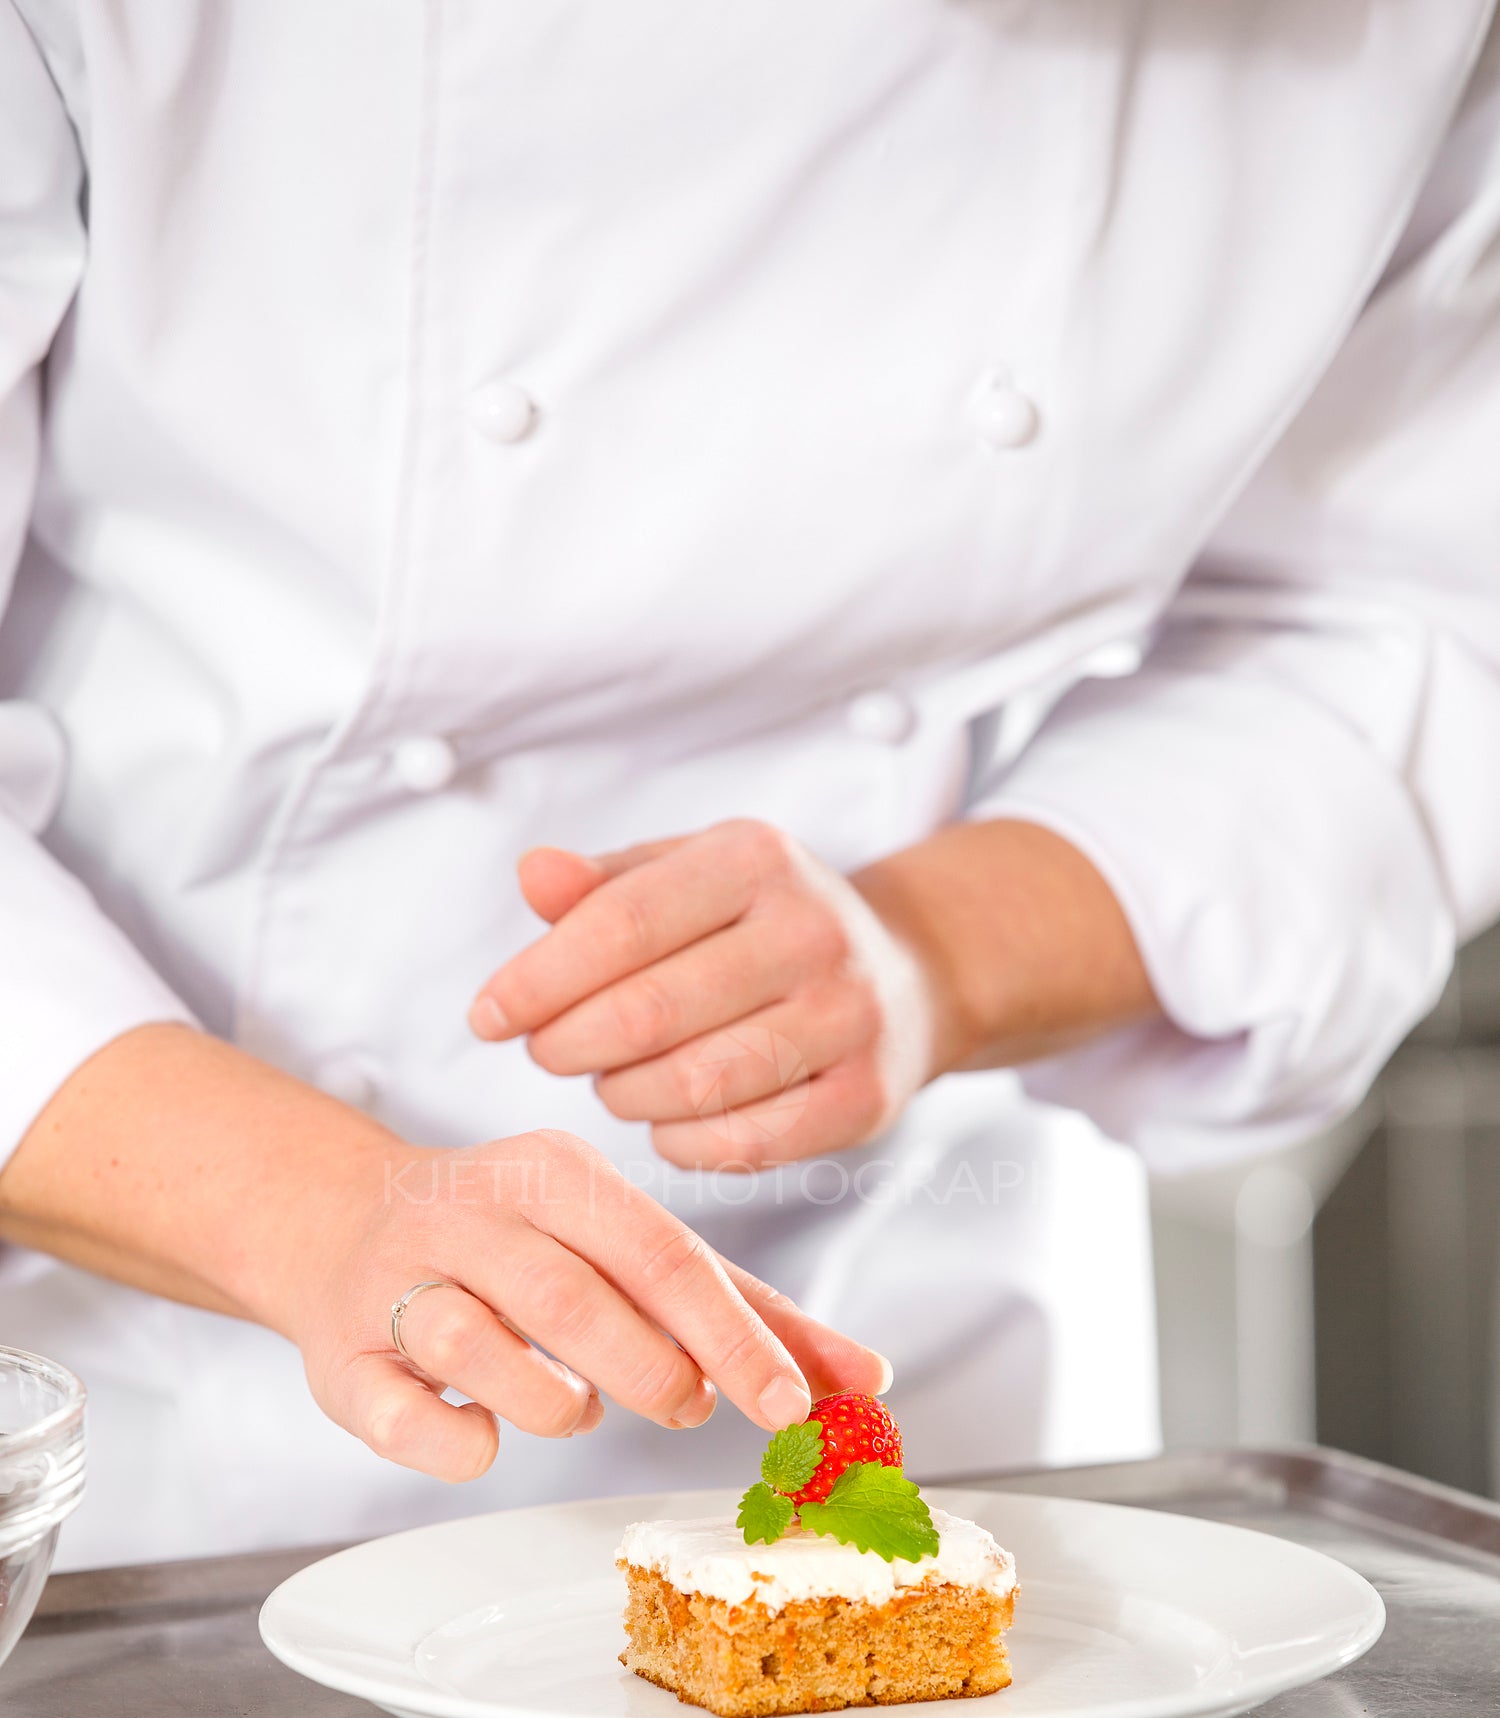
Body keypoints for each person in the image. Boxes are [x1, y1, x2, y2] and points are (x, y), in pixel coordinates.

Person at [1, 3, 1498, 1569]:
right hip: (149, 1419)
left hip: (922, 1347)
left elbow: (1414, 608)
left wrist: (941, 950)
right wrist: (308, 1206)